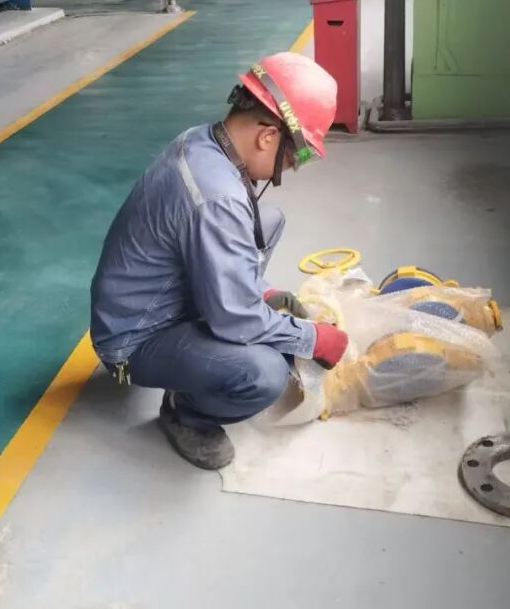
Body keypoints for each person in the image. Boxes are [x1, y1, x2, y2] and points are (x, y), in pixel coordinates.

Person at [89, 52, 350, 470]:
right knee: (264, 372)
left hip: (151, 299)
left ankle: (221, 328)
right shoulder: (218, 197)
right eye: (293, 158)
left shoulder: (203, 141)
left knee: (268, 221)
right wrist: (312, 338)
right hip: (133, 339)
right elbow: (236, 321)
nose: (287, 169)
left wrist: (260, 292)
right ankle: (186, 413)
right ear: (267, 137)